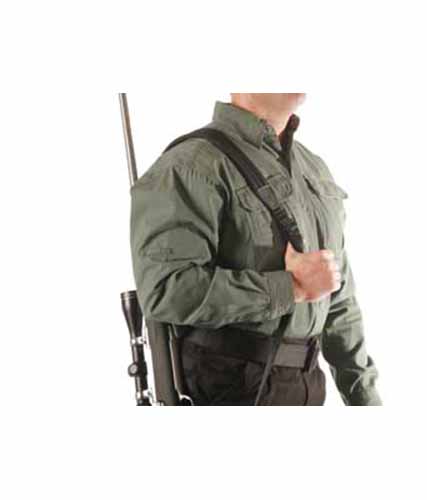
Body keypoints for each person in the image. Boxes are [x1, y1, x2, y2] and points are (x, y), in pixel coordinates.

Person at [130, 93, 382, 405]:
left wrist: (365, 399)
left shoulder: (313, 169)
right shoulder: (190, 165)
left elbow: (338, 300)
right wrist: (291, 287)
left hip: (307, 387)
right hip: (228, 389)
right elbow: (166, 289)